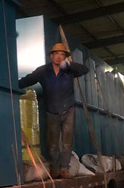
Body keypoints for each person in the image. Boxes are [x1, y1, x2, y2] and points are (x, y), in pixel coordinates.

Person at [19, 43, 88, 179]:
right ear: (51, 55)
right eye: (56, 54)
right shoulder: (43, 71)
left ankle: (64, 169)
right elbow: (28, 80)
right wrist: (10, 85)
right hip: (51, 111)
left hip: (68, 109)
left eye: (62, 54)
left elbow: (84, 70)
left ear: (65, 57)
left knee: (67, 142)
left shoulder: (69, 71)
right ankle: (55, 169)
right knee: (52, 144)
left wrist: (69, 65)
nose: (59, 57)